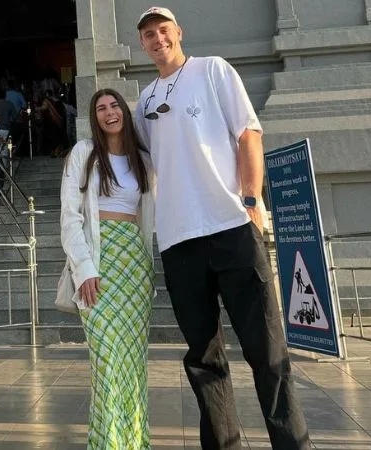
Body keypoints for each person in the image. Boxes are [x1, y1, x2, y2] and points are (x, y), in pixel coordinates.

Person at [134, 6, 310, 449]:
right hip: (178, 242)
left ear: (179, 33)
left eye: (163, 30)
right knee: (204, 360)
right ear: (142, 45)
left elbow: (249, 133)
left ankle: (293, 443)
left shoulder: (213, 71)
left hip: (231, 226)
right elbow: (143, 169)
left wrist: (251, 199)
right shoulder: (144, 101)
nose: (158, 39)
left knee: (267, 353)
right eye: (149, 35)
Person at [61, 88, 155, 449]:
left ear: (124, 113)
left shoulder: (142, 161)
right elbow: (70, 216)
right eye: (100, 108)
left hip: (135, 267)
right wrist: (83, 267)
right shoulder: (83, 153)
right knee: (107, 364)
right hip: (98, 264)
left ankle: (134, 443)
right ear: (94, 117)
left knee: (132, 367)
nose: (109, 112)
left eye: (114, 105)